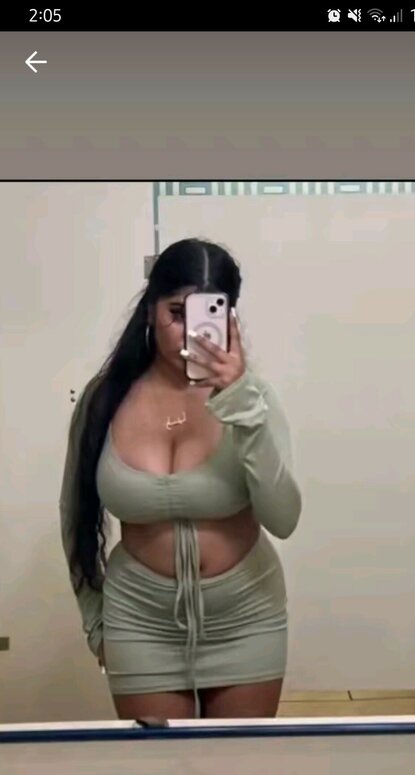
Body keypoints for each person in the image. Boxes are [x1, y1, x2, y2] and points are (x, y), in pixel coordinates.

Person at [59, 238, 302, 724]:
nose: (189, 332)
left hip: (246, 616)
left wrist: (242, 406)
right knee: (159, 768)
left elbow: (284, 518)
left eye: (208, 313)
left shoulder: (254, 399)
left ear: (230, 317)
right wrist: (95, 622)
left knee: (236, 767)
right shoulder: (105, 399)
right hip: (140, 620)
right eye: (176, 312)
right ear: (150, 309)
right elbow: (75, 516)